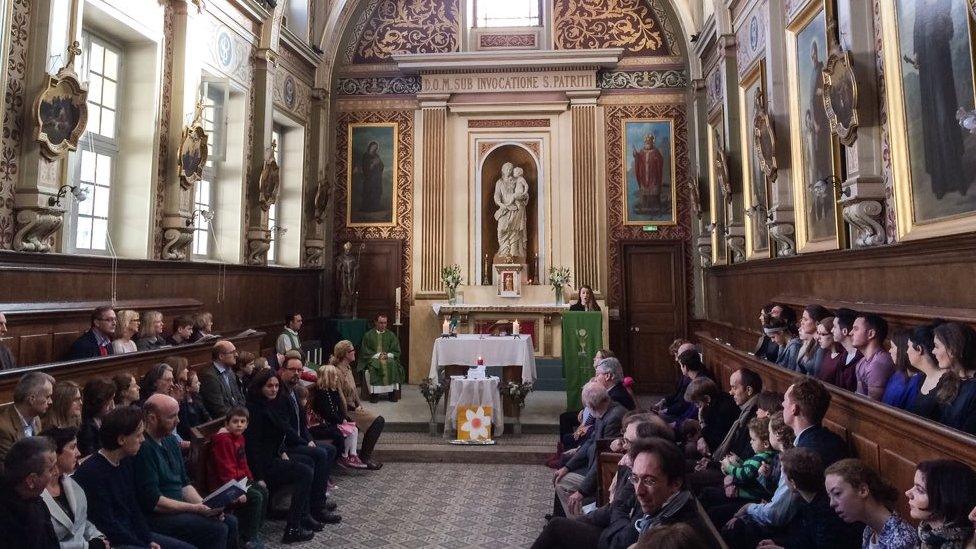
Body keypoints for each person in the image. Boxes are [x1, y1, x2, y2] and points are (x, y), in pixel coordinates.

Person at [722, 377, 848, 549]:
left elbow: (778, 514)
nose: (782, 405)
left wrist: (749, 508)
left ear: (794, 409)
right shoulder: (831, 439)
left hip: (811, 533)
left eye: (785, 401)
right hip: (808, 530)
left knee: (731, 525)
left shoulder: (800, 455)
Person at [74, 405, 191, 549]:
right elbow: (107, 524)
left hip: (133, 534)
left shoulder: (125, 461)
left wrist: (147, 540)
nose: (142, 439)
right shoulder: (92, 473)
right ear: (122, 439)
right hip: (112, 541)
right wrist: (142, 544)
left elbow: (133, 507)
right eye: (138, 435)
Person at [134, 394, 239, 548]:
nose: (178, 421)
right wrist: (196, 509)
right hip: (159, 515)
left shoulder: (169, 440)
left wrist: (206, 506)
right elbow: (154, 502)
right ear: (152, 418)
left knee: (230, 521)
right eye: (172, 417)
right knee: (217, 529)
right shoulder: (143, 448)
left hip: (180, 506)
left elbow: (184, 483)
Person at [244, 370, 317, 544]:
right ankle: (293, 527)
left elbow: (280, 433)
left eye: (276, 386)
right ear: (260, 387)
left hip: (273, 457)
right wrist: (259, 477)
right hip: (262, 465)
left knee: (307, 461)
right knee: (304, 472)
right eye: (269, 386)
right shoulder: (254, 409)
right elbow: (252, 447)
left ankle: (304, 515)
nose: (274, 389)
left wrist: (282, 451)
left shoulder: (271, 404)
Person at [275, 355, 341, 524]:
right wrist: (305, 443)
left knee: (330, 449)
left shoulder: (294, 391)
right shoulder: (280, 394)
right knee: (319, 454)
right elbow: (285, 428)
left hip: (298, 440)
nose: (297, 373)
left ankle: (318, 501)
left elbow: (302, 424)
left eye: (300, 370)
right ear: (283, 370)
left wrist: (309, 439)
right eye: (293, 370)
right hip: (287, 445)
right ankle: (316, 508)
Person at [756, 448, 862, 549]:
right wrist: (780, 544)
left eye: (783, 477)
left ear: (793, 483)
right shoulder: (809, 502)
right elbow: (805, 540)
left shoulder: (826, 512)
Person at [554, 381, 625, 517]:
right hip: (592, 462)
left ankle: (578, 523)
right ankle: (561, 518)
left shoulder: (614, 417)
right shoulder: (603, 411)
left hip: (602, 472)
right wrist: (567, 467)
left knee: (562, 484)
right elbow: (590, 442)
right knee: (561, 473)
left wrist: (582, 492)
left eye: (586, 406)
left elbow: (604, 459)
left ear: (592, 406)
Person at [38, 426, 110, 548]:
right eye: (72, 447)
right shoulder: (36, 496)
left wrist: (99, 537)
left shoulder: (72, 484)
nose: (79, 453)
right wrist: (89, 546)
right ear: (53, 454)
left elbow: (82, 523)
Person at [825, 458, 919, 549]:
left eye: (837, 493)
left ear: (863, 490)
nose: (831, 503)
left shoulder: (900, 541)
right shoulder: (869, 530)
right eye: (830, 497)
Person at [208, 407, 268, 548]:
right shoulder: (223, 441)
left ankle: (254, 531)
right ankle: (248, 538)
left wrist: (250, 478)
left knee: (263, 491)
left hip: (240, 480)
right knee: (256, 497)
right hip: (225, 485)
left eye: (243, 421)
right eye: (235, 421)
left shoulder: (240, 438)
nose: (239, 424)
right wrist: (237, 490)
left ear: (247, 424)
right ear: (227, 424)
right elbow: (225, 469)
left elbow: (243, 463)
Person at [330, 340, 385, 469]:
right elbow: (340, 397)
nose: (354, 352)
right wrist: (346, 414)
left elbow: (354, 391)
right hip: (346, 410)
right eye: (351, 351)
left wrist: (359, 405)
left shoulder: (348, 368)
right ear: (344, 354)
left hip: (354, 407)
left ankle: (364, 455)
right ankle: (364, 457)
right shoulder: (337, 372)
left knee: (377, 420)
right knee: (378, 421)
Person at [0, 437, 60, 547]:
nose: (57, 472)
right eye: (51, 469)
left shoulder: (36, 502)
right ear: (31, 480)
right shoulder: (6, 519)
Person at [907, 459, 976, 548]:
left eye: (920, 490)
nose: (907, 493)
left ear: (945, 499)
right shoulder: (926, 533)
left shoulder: (967, 544)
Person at [311, 365, 366, 469]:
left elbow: (338, 408)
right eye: (335, 376)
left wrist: (344, 418)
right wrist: (341, 420)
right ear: (328, 377)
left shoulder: (333, 390)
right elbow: (327, 413)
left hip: (334, 420)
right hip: (326, 423)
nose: (336, 378)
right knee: (349, 431)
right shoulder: (322, 394)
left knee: (354, 428)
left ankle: (351, 455)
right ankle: (344, 456)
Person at [934, 323, 976, 434]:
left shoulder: (973, 389)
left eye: (937, 346)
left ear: (953, 350)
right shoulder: (946, 378)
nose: (933, 351)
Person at [0, 372, 54, 459]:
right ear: (32, 399)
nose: (51, 402)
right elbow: (9, 468)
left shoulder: (36, 419)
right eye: (47, 397)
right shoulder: (3, 428)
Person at [357, 314, 405, 403]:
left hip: (388, 357)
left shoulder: (391, 335)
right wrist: (378, 355)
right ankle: (375, 394)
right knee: (375, 365)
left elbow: (396, 350)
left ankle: (392, 393)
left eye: (385, 323)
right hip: (373, 358)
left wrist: (388, 355)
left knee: (392, 363)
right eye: (380, 323)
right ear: (376, 323)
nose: (383, 325)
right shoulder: (368, 335)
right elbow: (365, 351)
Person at [909, 323, 951, 421]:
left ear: (919, 349)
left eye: (908, 347)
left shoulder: (946, 382)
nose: (906, 351)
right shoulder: (921, 378)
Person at [198, 340, 246, 419]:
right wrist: (239, 417)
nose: (236, 355)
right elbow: (218, 410)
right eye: (232, 352)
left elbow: (240, 398)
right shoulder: (209, 376)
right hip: (223, 422)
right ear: (221, 356)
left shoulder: (230, 371)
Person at [851, 313, 895, 400]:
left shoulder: (878, 364)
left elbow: (872, 407)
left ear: (871, 334)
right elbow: (859, 397)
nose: (851, 333)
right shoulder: (862, 362)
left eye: (855, 329)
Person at [883, 329, 924, 410]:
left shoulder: (917, 382)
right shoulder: (898, 374)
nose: (889, 351)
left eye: (892, 347)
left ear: (902, 350)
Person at [77, 377, 116, 457]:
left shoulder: (106, 420)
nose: (113, 406)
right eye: (109, 401)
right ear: (99, 402)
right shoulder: (87, 429)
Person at [830, 308, 863, 391]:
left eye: (834, 327)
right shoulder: (844, 355)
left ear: (844, 331)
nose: (831, 330)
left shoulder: (860, 358)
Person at [796, 305, 832, 377]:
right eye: (802, 319)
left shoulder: (821, 347)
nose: (802, 322)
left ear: (817, 323)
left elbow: (817, 375)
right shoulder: (813, 341)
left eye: (805, 319)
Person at [177, 370, 211, 441]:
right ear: (187, 388)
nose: (199, 383)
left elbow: (206, 415)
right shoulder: (182, 405)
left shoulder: (197, 397)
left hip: (202, 432)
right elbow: (186, 429)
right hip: (191, 439)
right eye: (196, 382)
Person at [814, 317, 846, 385]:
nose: (818, 338)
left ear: (833, 334)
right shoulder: (827, 353)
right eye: (818, 333)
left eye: (823, 334)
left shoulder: (841, 358)